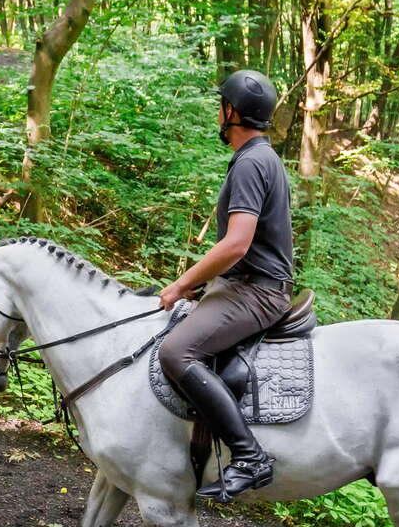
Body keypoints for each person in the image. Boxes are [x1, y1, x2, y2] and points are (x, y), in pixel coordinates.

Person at [156, 69, 294, 502]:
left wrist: (181, 284)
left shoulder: (253, 162)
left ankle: (250, 457)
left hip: (258, 290)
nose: (219, 110)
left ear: (231, 111)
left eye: (221, 104)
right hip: (245, 283)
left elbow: (236, 244)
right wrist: (205, 282)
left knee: (176, 352)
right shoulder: (258, 157)